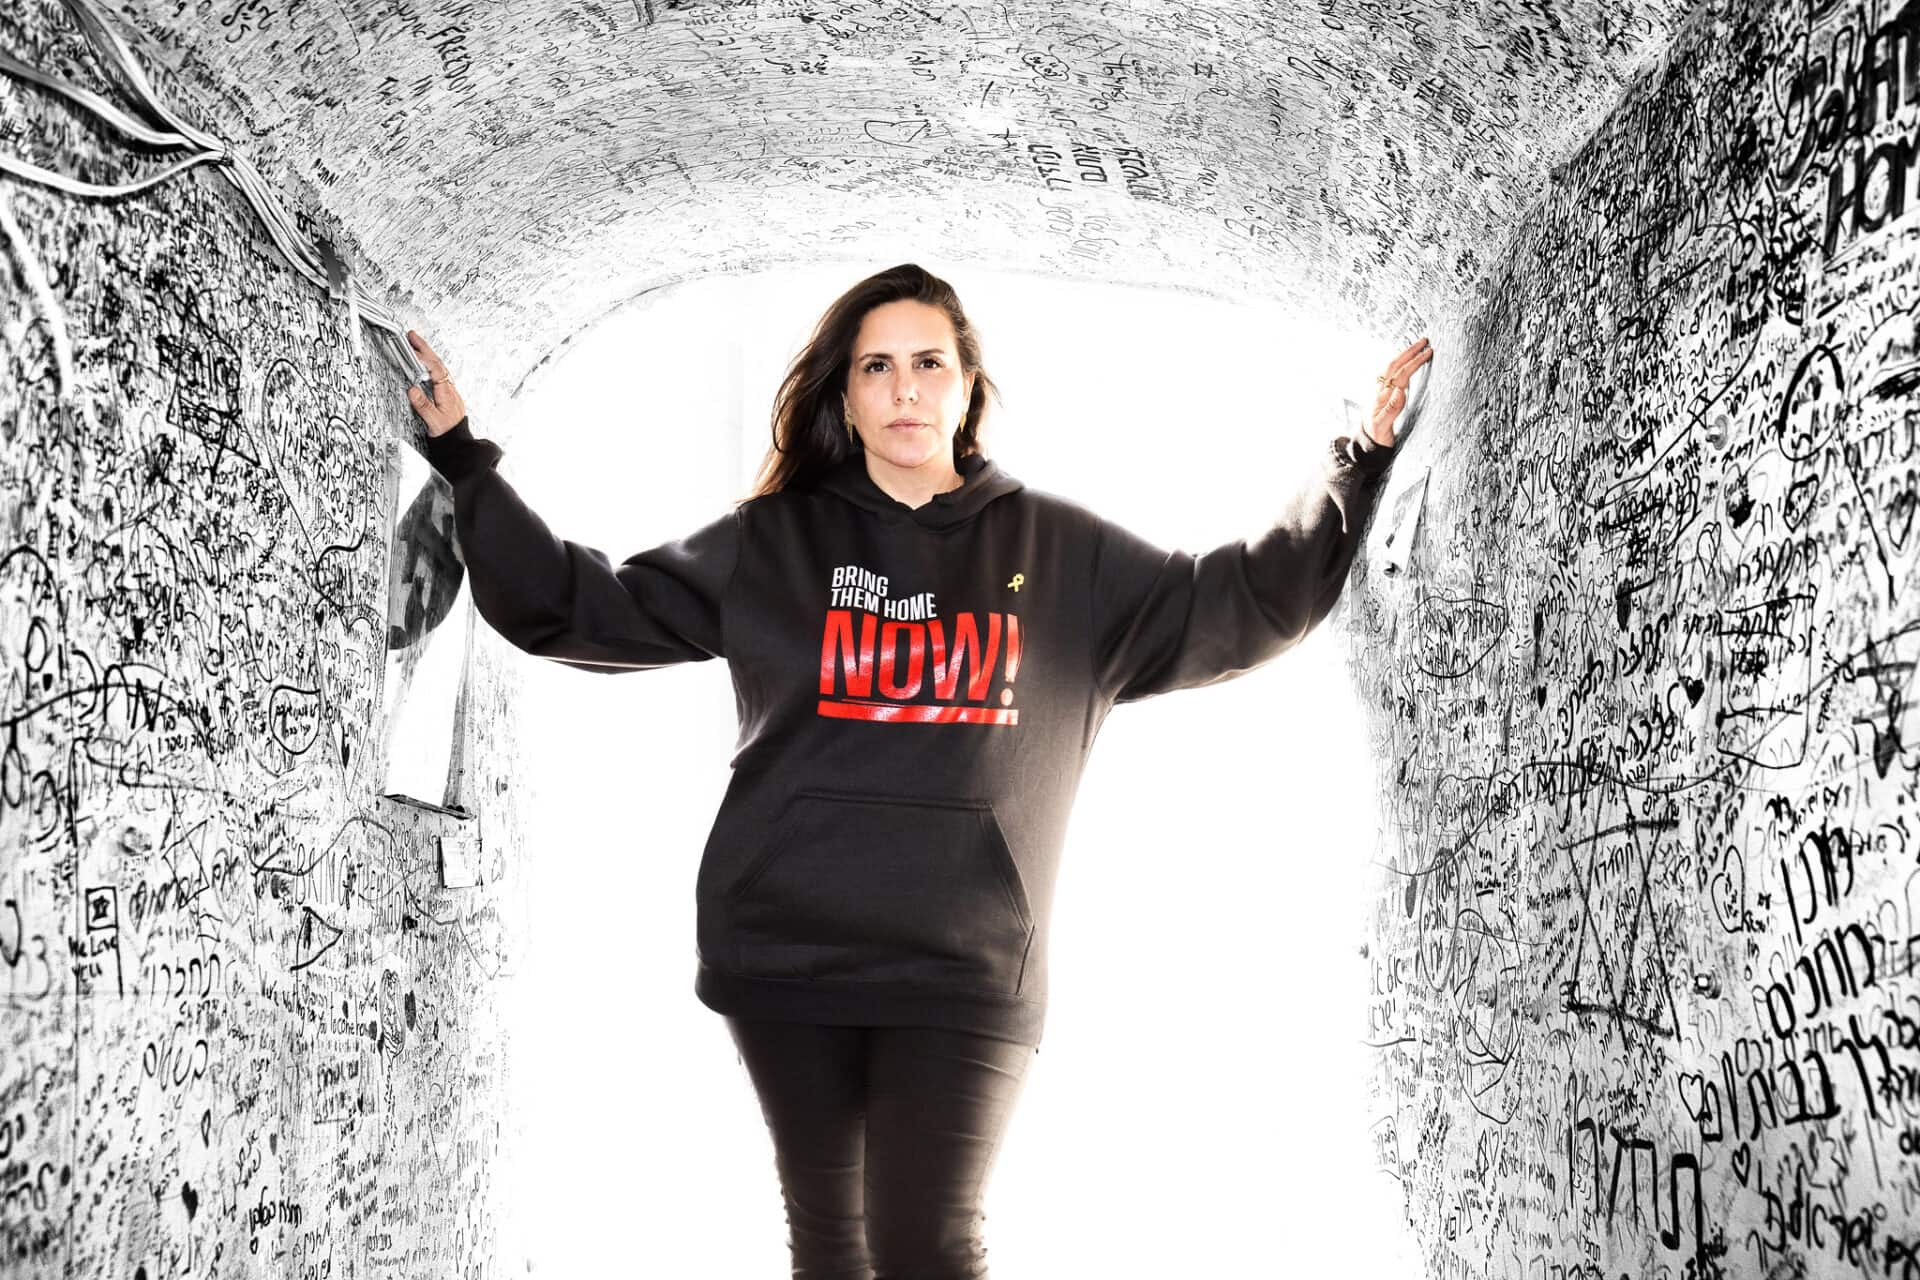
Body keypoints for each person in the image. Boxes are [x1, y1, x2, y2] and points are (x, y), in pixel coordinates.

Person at [408, 263, 1431, 1279]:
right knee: (833, 1247)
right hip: (784, 947)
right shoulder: (772, 544)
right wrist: (465, 461)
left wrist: (1357, 465)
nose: (906, 388)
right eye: (878, 366)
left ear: (969, 386)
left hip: (969, 961)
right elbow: (582, 606)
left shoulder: (1060, 552)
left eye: (929, 362)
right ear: (845, 398)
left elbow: (1239, 600)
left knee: (927, 1244)